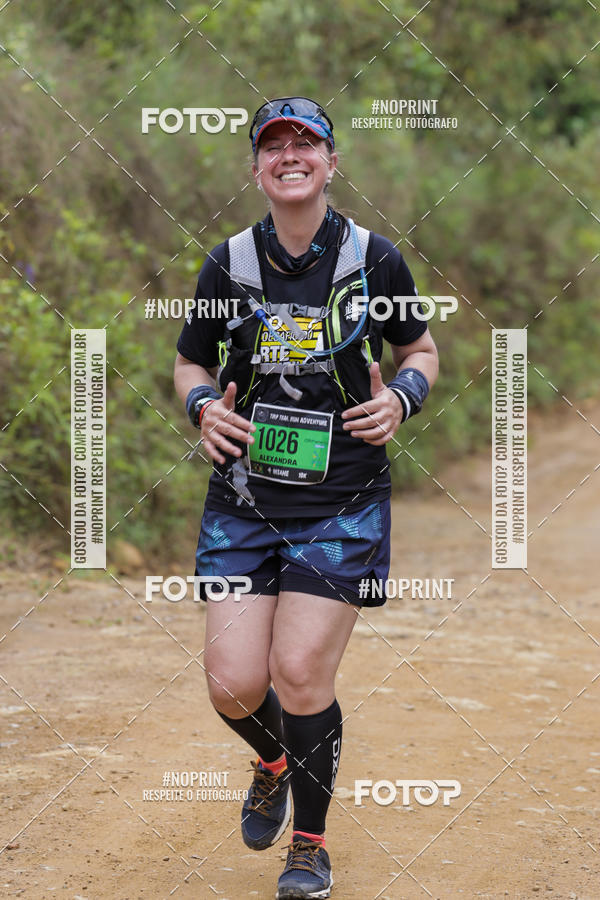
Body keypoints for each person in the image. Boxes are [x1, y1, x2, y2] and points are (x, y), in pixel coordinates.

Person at [174, 97, 438, 900]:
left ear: (330, 161)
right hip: (244, 501)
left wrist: (403, 397)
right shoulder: (229, 263)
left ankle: (309, 848)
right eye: (273, 145)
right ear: (256, 167)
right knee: (232, 683)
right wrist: (202, 408)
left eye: (307, 143)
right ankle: (270, 761)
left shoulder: (374, 258)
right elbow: (190, 363)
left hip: (343, 500)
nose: (290, 155)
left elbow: (419, 347)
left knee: (296, 671)